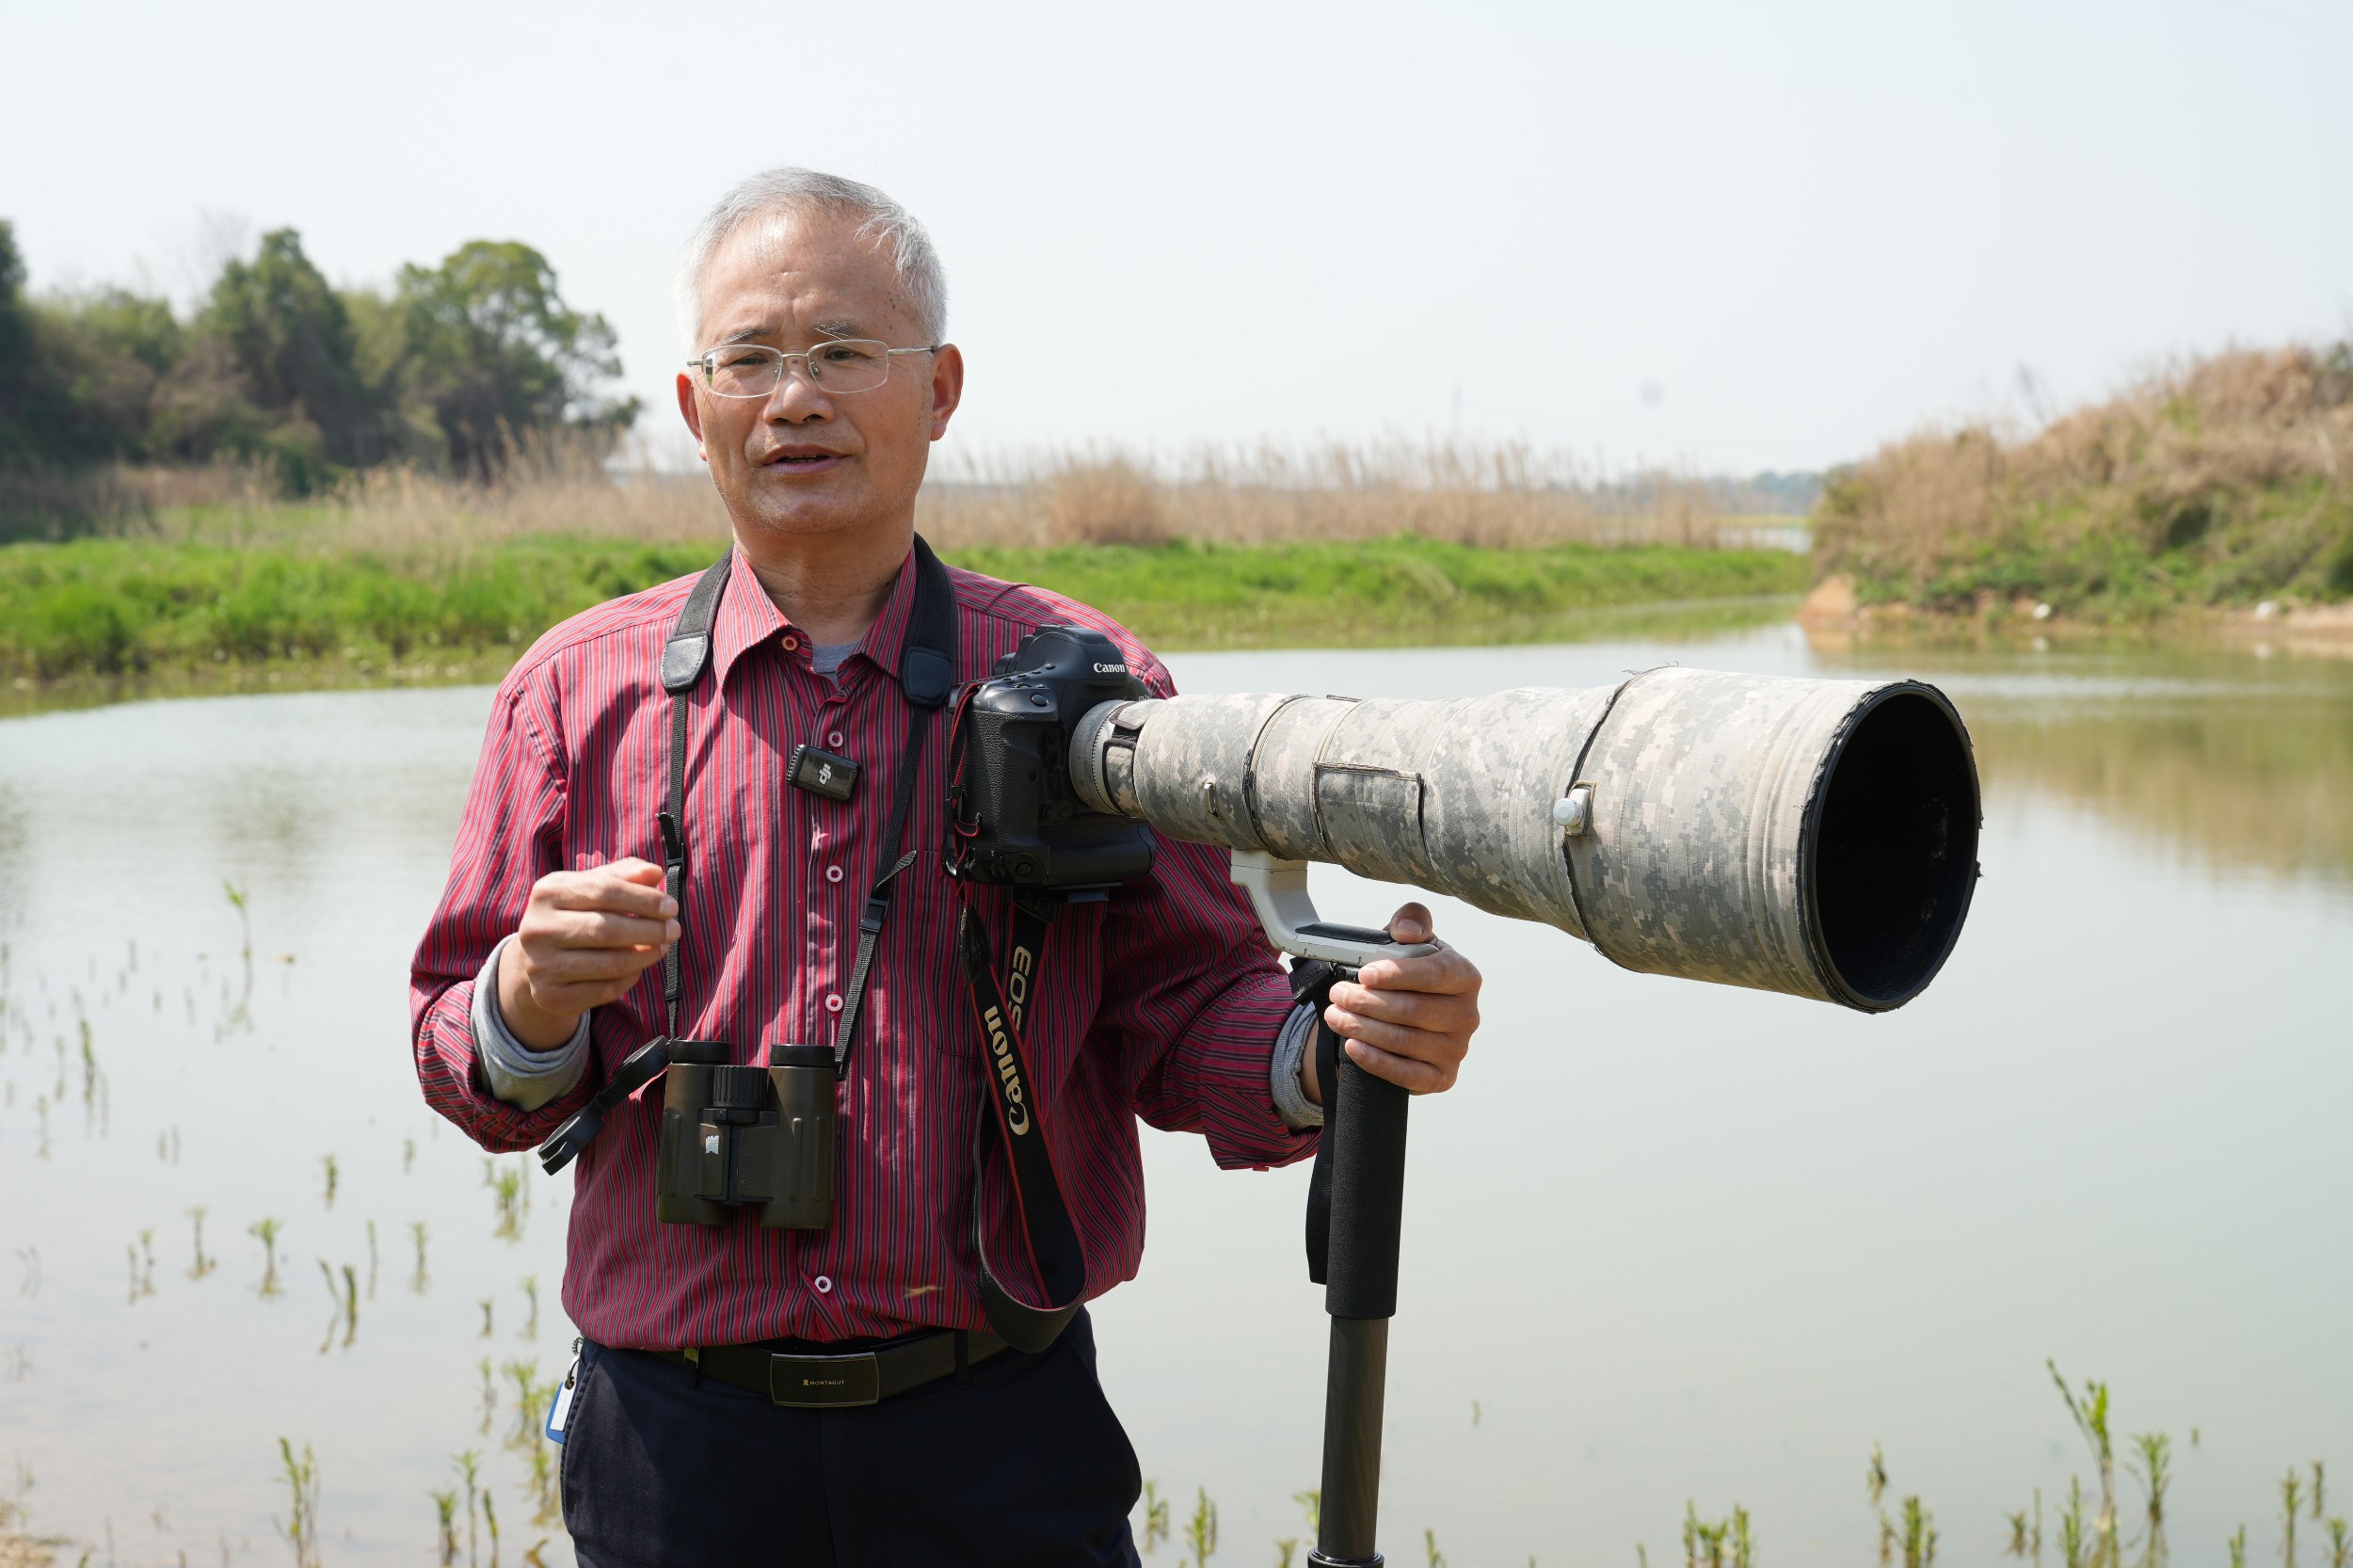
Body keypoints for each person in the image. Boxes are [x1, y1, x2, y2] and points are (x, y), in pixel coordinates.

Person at [408, 168, 1482, 1567]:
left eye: (846, 352)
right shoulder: (574, 693)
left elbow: (1182, 1010)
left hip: (999, 1436)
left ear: (941, 389)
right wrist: (526, 999)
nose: (794, 397)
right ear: (694, 410)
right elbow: (455, 1049)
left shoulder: (1087, 686)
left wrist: (1333, 1042)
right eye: (750, 359)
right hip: (677, 1449)